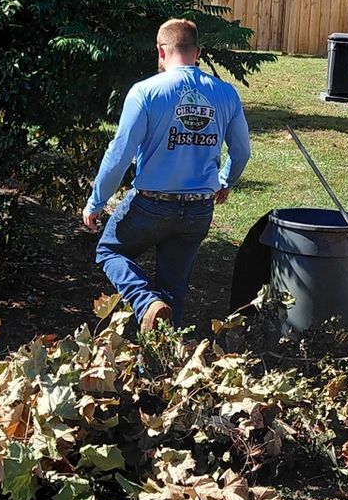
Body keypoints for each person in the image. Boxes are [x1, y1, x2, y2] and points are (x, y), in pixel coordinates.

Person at [84, 18, 251, 332]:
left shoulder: (145, 92)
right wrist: (225, 181)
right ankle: (159, 370)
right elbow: (242, 152)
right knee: (173, 288)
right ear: (197, 51)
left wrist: (96, 202)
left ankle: (147, 303)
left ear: (161, 51)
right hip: (200, 208)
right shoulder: (226, 94)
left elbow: (119, 154)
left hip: (152, 206)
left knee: (109, 250)